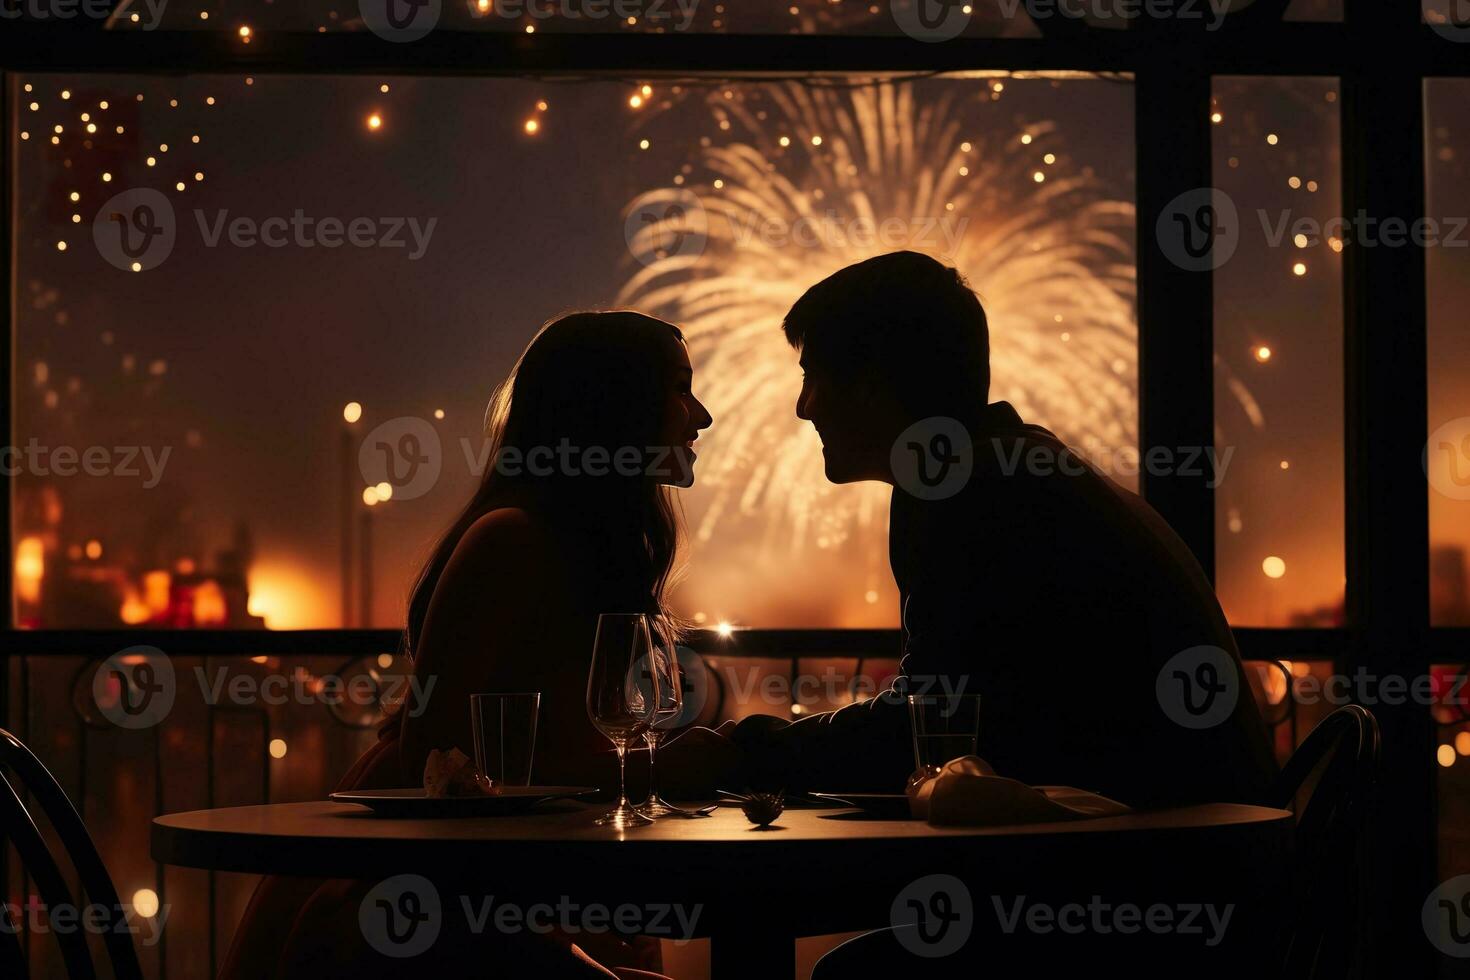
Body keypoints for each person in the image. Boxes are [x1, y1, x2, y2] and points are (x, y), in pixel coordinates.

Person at [670, 250, 1277, 811]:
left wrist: (745, 754)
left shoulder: (964, 489)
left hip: (1146, 871)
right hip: (1202, 850)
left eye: (813, 378)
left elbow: (932, 729)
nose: (804, 408)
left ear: (875, 383)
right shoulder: (1011, 469)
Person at [220, 310, 711, 980]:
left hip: (482, 902)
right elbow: (438, 767)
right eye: (680, 389)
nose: (701, 415)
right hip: (418, 914)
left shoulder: (565, 551)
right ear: (613, 408)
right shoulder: (511, 542)